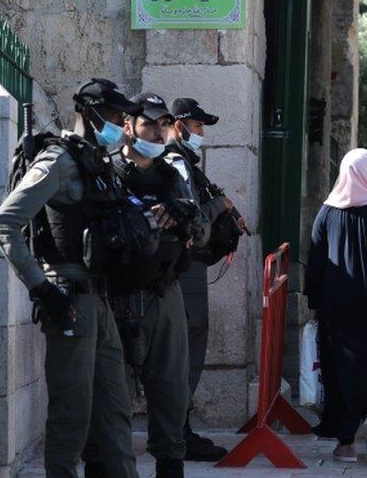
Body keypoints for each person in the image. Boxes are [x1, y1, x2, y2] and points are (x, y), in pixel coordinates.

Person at [0, 78, 140, 478]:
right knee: (71, 416)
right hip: (70, 300)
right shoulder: (59, 160)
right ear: (87, 112)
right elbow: (4, 222)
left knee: (115, 411)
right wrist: (43, 290)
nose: (118, 123)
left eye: (121, 116)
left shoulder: (97, 161)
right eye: (111, 115)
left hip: (100, 299)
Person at [102, 92, 204, 477]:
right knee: (113, 398)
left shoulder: (172, 176)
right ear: (129, 126)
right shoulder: (108, 172)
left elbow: (201, 230)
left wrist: (186, 217)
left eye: (164, 124)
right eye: (150, 123)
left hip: (163, 292)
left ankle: (170, 463)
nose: (159, 133)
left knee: (171, 392)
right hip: (118, 295)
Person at [305, 148, 367, 462]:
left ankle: (346, 441)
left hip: (336, 304)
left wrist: (313, 301)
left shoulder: (328, 211)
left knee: (340, 369)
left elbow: (315, 260)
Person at [164, 97, 239, 461]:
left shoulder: (183, 161)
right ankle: (177, 432)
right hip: (185, 263)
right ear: (179, 125)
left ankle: (177, 428)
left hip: (187, 264)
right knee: (188, 348)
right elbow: (190, 214)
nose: (201, 133)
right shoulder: (176, 160)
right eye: (197, 126)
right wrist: (220, 207)